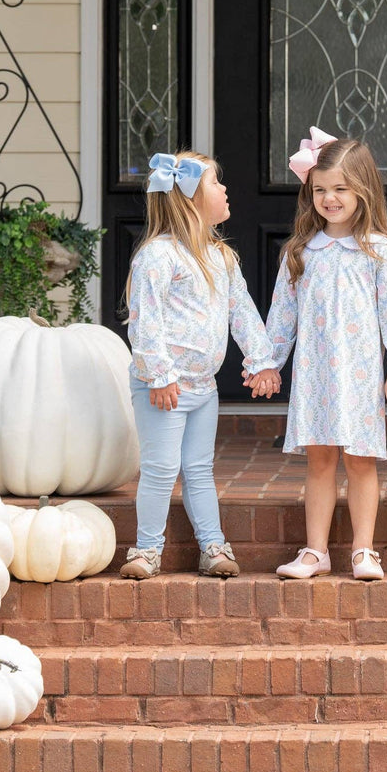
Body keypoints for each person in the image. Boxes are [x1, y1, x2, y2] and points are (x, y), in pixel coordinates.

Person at [120, 151, 282, 580]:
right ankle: (146, 549)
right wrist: (159, 374)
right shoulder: (159, 256)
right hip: (165, 387)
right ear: (189, 198)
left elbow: (243, 312)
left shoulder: (220, 257)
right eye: (216, 183)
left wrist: (261, 361)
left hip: (203, 388)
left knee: (198, 469)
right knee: (160, 469)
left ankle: (212, 545)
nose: (226, 190)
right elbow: (145, 319)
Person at [266, 128, 387, 581]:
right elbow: (281, 315)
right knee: (319, 461)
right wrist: (267, 363)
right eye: (320, 190)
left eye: (340, 189)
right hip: (314, 375)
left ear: (363, 190)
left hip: (359, 374)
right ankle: (315, 551)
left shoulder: (379, 252)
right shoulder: (300, 252)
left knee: (361, 460)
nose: (329, 198)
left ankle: (363, 550)